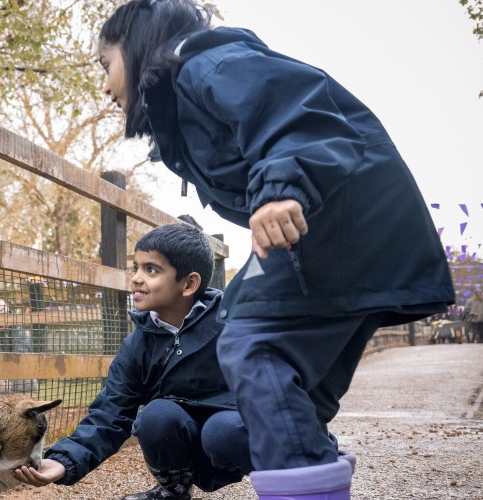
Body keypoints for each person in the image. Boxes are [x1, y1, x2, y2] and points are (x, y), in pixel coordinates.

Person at [89, 1, 454, 498]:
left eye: (105, 64)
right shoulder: (185, 110)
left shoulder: (208, 65)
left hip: (335, 222)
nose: (105, 86)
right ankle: (309, 470)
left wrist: (282, 187)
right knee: (292, 375)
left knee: (249, 343)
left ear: (134, 49)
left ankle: (301, 483)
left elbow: (299, 116)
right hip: (345, 232)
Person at [13, 222, 251, 500]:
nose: (136, 278)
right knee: (156, 416)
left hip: (232, 437)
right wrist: (64, 460)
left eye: (151, 270)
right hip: (179, 438)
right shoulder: (137, 345)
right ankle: (173, 490)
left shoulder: (230, 324)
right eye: (135, 268)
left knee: (223, 430)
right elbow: (110, 413)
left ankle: (278, 485)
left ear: (189, 284)